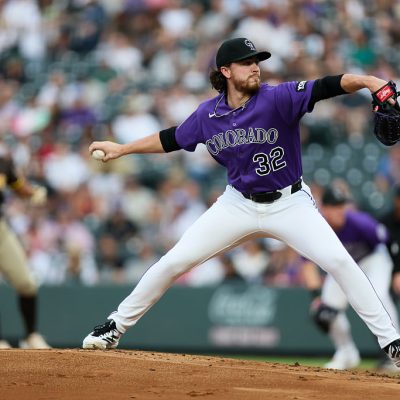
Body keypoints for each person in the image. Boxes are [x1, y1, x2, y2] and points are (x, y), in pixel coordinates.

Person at [82, 37, 400, 367]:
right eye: (247, 62)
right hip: (238, 205)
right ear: (226, 71)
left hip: (290, 203)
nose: (255, 67)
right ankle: (115, 327)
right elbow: (170, 138)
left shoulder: (277, 97)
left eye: (257, 61)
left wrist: (368, 81)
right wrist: (122, 148)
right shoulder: (208, 115)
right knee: (174, 261)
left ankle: (392, 342)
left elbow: (327, 85)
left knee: (340, 262)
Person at [302, 185, 399, 370]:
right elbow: (307, 264)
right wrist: (315, 298)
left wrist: (396, 273)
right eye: (334, 206)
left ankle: (395, 353)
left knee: (379, 295)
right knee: (327, 310)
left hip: (374, 260)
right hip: (346, 266)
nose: (340, 211)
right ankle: (346, 352)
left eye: (341, 206)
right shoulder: (317, 228)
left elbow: (389, 242)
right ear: (324, 208)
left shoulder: (359, 222)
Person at [0, 146, 51, 349]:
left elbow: (18, 187)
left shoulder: (3, 162)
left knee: (26, 283)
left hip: (1, 229)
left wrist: (33, 192)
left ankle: (31, 335)